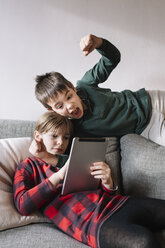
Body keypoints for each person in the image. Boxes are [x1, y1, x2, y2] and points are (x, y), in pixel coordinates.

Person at [13, 111, 165, 248]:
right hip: (93, 222)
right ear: (38, 136)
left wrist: (108, 182)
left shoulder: (76, 157)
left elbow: (108, 193)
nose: (61, 142)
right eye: (54, 136)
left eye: (65, 137)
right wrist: (58, 176)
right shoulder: (28, 166)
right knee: (145, 241)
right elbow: (23, 205)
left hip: (116, 204)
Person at [34, 34, 165, 147]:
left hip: (150, 100)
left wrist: (99, 43)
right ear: (52, 110)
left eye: (69, 97)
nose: (69, 106)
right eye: (60, 106)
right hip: (147, 126)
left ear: (73, 88)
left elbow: (113, 58)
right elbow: (66, 156)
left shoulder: (85, 84)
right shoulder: (73, 130)